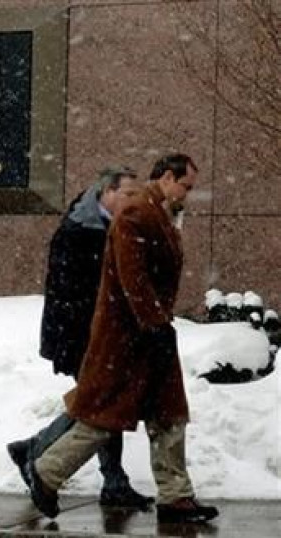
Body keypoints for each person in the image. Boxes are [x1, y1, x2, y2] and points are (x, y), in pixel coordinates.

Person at [28, 154, 219, 524]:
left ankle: (176, 496)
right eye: (185, 186)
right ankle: (46, 472)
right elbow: (133, 280)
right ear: (166, 177)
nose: (188, 194)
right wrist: (154, 324)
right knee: (104, 418)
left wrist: (157, 326)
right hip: (130, 339)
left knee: (169, 416)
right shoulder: (136, 214)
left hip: (148, 335)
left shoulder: (156, 213)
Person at [7, 166, 151, 508]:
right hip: (80, 336)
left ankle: (36, 448)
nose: (134, 202)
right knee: (100, 405)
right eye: (128, 195)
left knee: (98, 402)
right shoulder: (79, 231)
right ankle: (107, 479)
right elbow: (72, 293)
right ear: (107, 193)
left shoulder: (109, 227)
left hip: (101, 334)